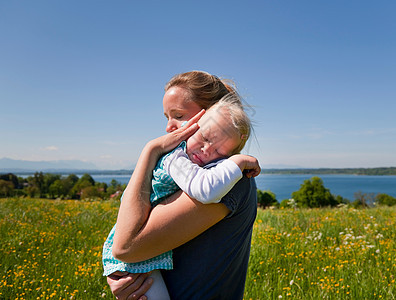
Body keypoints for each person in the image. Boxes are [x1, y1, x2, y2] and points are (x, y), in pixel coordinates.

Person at [107, 71, 258, 300]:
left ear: (212, 114)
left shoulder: (225, 178)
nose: (169, 127)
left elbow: (125, 247)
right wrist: (121, 273)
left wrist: (150, 151)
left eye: (178, 115)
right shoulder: (188, 167)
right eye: (166, 117)